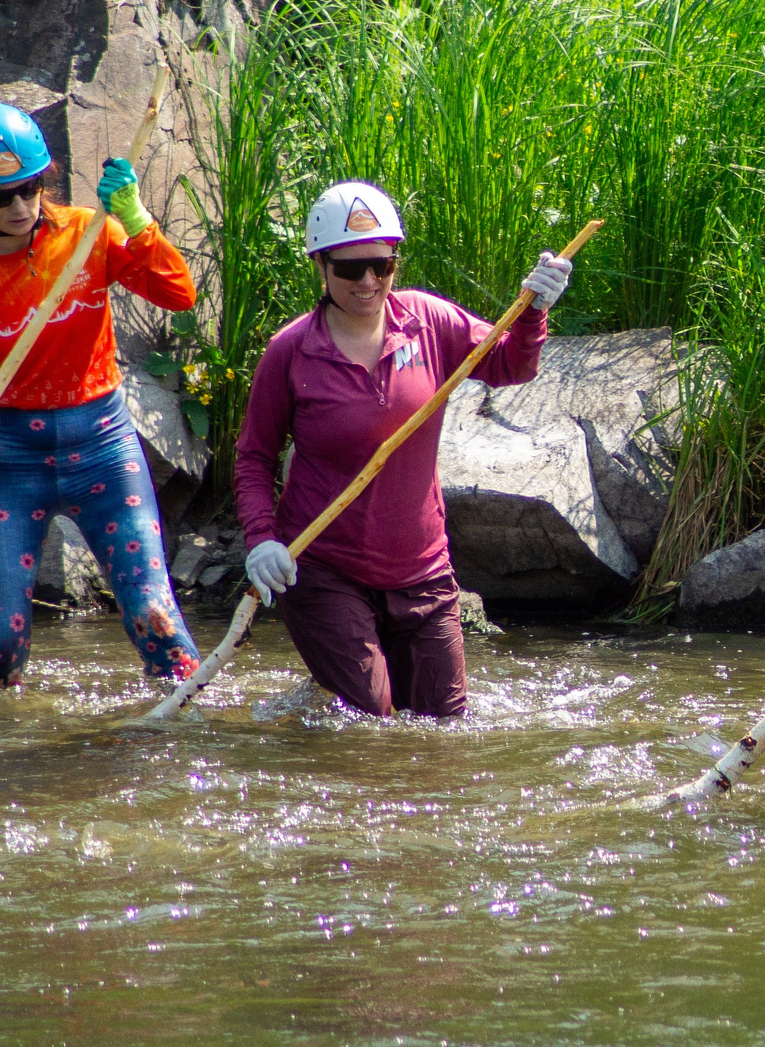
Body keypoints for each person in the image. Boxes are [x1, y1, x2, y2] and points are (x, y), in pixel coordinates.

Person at [232, 182, 573, 719]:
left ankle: (310, 701)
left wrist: (534, 312)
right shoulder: (291, 351)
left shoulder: (428, 320)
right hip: (324, 569)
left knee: (444, 726)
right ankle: (333, 692)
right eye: (350, 269)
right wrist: (262, 540)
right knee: (373, 723)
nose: (369, 281)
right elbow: (255, 457)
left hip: (422, 569)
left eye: (382, 265)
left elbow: (511, 364)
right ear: (321, 267)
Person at [0, 102, 201, 687]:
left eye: (31, 189)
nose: (21, 207)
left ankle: (190, 733)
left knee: (156, 618)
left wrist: (135, 214)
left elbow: (179, 294)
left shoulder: (89, 234)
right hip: (6, 460)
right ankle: (1, 753)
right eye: (2, 198)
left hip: (102, 445)